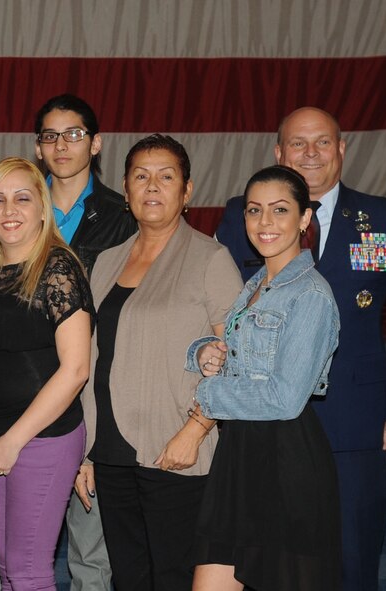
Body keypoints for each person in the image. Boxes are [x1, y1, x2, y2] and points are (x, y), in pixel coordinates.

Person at [215, 107, 386, 591]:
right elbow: (215, 304)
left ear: (341, 149)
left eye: (321, 142)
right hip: (260, 423)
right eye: (297, 143)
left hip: (351, 420)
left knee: (350, 561)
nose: (309, 153)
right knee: (263, 563)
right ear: (278, 152)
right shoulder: (243, 215)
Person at [0, 93, 136, 591]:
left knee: (89, 555)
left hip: (88, 396)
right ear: (38, 146)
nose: (62, 145)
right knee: (7, 559)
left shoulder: (124, 215)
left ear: (96, 143)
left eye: (73, 134)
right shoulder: (15, 207)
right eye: (51, 136)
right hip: (11, 414)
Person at [75, 134, 243, 590]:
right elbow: (91, 357)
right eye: (141, 176)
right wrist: (85, 449)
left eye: (166, 177)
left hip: (176, 450)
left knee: (173, 577)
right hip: (109, 451)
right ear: (126, 191)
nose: (152, 186)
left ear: (186, 191)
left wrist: (197, 429)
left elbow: (238, 355)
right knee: (129, 578)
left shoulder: (211, 258)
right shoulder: (106, 262)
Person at [189, 165, 342, 590]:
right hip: (239, 454)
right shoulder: (257, 282)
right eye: (254, 210)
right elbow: (251, 362)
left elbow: (285, 397)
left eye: (279, 210)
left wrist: (208, 394)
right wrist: (206, 352)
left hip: (287, 460)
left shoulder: (310, 293)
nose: (265, 223)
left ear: (304, 218)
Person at [0, 157, 93, 591]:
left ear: (41, 208)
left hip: (41, 441)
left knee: (29, 572)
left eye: (22, 198)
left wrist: (13, 440)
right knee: (12, 570)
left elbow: (75, 370)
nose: (9, 210)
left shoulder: (59, 269)